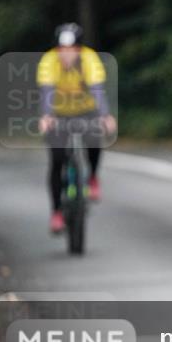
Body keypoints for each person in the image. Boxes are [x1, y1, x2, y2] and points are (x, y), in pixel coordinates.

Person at [37, 24, 116, 234]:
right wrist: (46, 116)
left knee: (94, 139)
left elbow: (97, 89)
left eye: (72, 49)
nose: (66, 54)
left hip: (85, 110)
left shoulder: (89, 58)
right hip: (59, 113)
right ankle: (56, 212)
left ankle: (92, 177)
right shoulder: (49, 60)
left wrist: (105, 116)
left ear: (79, 49)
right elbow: (47, 91)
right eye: (62, 49)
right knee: (56, 160)